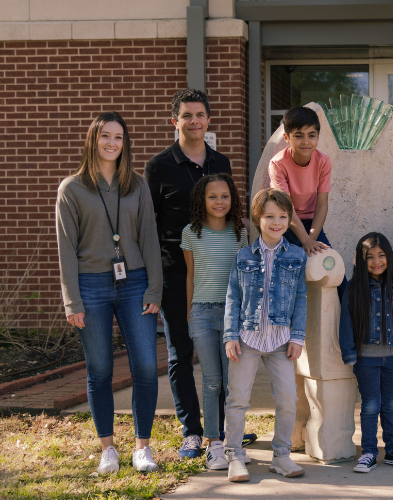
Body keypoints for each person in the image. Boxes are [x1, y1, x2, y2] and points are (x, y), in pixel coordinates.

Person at [144, 88, 255, 458]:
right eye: (187, 115)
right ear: (174, 120)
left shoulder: (220, 160)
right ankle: (192, 431)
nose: (194, 121)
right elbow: (149, 225)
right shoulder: (159, 166)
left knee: (226, 354)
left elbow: (231, 214)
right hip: (178, 273)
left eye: (200, 115)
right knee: (181, 353)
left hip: (222, 277)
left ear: (208, 120)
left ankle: (221, 429)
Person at [56, 112, 162, 474]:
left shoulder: (137, 185)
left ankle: (142, 448)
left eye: (118, 137)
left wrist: (155, 287)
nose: (112, 143)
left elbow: (149, 237)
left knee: (147, 366)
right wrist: (73, 299)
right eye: (105, 136)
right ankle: (108, 450)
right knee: (99, 369)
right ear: (93, 140)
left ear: (125, 143)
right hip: (90, 285)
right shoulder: (71, 188)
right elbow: (66, 249)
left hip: (135, 283)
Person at [223, 188, 308, 481]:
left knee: (288, 398)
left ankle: (281, 456)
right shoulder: (244, 255)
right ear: (258, 218)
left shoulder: (296, 256)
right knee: (238, 398)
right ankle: (234, 454)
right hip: (246, 339)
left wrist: (297, 337)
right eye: (270, 216)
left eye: (283, 216)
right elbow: (233, 296)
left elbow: (300, 298)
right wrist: (230, 335)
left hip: (281, 341)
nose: (277, 222)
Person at [181, 173, 248, 470]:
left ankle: (233, 443)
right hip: (203, 313)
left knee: (233, 384)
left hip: (234, 314)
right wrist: (189, 314)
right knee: (212, 383)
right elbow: (191, 276)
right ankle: (214, 444)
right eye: (212, 196)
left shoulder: (240, 233)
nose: (219, 201)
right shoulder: (190, 233)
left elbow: (247, 278)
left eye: (225, 196)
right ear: (201, 200)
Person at [339, 233, 393, 474]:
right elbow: (346, 323)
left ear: (389, 258)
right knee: (370, 406)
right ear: (360, 260)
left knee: (390, 405)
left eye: (381, 255)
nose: (376, 261)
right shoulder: (354, 289)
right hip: (366, 360)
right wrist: (350, 353)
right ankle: (369, 452)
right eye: (369, 257)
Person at [269, 106, 348, 298]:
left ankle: (350, 325)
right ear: (287, 138)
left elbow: (322, 204)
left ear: (318, 137)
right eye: (298, 135)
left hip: (311, 224)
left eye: (311, 135)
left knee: (337, 276)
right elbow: (285, 208)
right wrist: (305, 241)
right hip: (283, 223)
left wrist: (312, 237)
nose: (306, 141)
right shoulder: (278, 163)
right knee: (282, 279)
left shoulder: (323, 161)